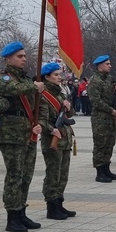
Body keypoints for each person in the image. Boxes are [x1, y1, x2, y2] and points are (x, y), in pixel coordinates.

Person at [0, 42, 45, 232]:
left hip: (27, 130)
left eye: (24, 56)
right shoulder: (3, 77)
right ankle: (12, 216)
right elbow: (15, 89)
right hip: (12, 133)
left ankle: (22, 211)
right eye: (19, 56)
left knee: (26, 174)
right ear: (8, 59)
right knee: (14, 175)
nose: (24, 58)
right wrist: (34, 86)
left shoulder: (26, 79)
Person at [39, 62, 77, 219]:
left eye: (59, 74)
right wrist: (51, 129)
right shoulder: (43, 95)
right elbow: (40, 119)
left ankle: (59, 203)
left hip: (65, 139)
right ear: (47, 77)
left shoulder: (61, 93)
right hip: (52, 139)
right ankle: (51, 206)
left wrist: (68, 107)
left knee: (63, 174)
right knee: (53, 174)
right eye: (55, 75)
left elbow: (71, 114)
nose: (59, 77)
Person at [87, 55, 116, 183]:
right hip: (100, 118)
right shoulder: (95, 81)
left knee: (109, 143)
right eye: (107, 64)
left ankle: (107, 168)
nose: (110, 66)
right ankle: (100, 171)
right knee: (100, 145)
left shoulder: (109, 79)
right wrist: (110, 110)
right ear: (100, 66)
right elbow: (96, 101)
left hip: (109, 118)